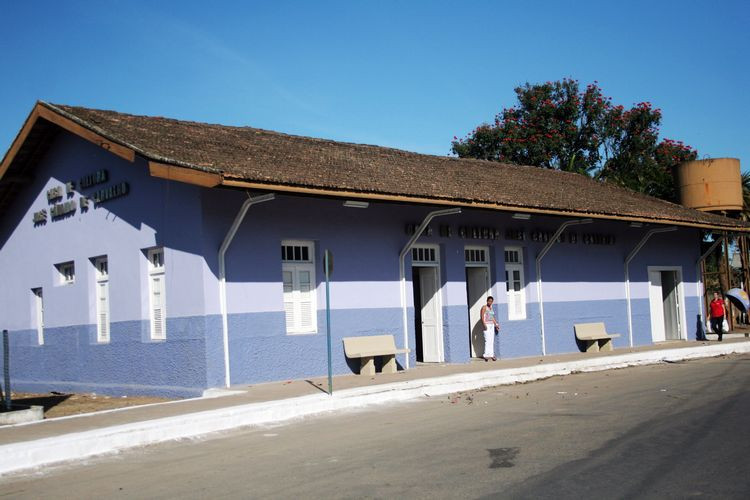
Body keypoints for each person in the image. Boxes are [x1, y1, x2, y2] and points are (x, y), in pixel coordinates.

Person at [480, 296, 500, 361]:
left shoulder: (491, 308)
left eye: (491, 301)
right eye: (489, 301)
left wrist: (496, 324)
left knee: (491, 340)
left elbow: (492, 317)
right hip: (487, 325)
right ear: (487, 301)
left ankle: (491, 355)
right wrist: (484, 324)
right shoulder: (484, 307)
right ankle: (486, 355)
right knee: (487, 340)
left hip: (491, 325)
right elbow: (482, 317)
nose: (490, 302)